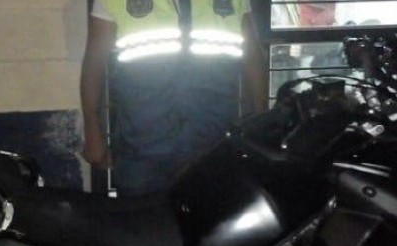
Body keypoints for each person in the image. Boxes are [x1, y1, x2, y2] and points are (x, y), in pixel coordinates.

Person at [80, 0, 266, 196]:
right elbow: (94, 60)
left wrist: (262, 123)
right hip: (141, 148)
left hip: (212, 144)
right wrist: (92, 129)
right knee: (142, 215)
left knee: (212, 212)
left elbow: (253, 56)